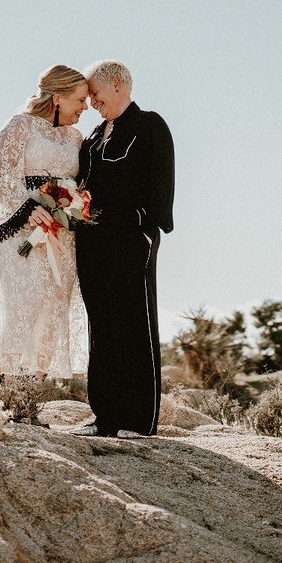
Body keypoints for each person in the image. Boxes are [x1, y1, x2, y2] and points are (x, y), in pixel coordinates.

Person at [72, 59, 174, 438]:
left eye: (95, 94)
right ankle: (105, 417)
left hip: (131, 240)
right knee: (101, 326)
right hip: (90, 242)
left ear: (117, 84)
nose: (92, 102)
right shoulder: (92, 137)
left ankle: (138, 420)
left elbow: (162, 187)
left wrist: (145, 227)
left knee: (133, 323)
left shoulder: (149, 125)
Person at [0, 65, 91, 379]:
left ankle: (33, 388)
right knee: (23, 305)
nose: (85, 107)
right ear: (58, 98)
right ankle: (7, 386)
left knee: (54, 306)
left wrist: (74, 203)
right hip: (23, 237)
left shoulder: (76, 137)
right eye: (80, 100)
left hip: (62, 236)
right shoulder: (21, 126)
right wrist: (28, 208)